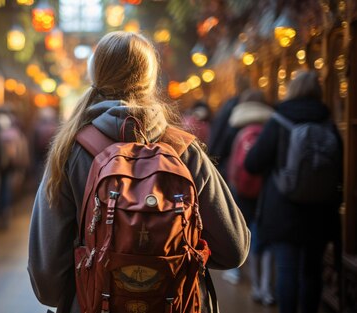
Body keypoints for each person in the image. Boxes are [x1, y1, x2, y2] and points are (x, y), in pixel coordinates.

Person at [28, 31, 250, 313]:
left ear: (96, 77)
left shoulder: (70, 152)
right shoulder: (184, 151)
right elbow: (234, 249)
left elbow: (46, 279)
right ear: (150, 79)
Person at [244, 71, 342, 313]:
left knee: (286, 270)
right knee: (313, 271)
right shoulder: (328, 121)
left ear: (292, 90)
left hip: (284, 208)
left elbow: (253, 163)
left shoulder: (279, 120)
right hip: (321, 210)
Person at [226, 89, 275, 304]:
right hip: (266, 192)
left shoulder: (239, 131)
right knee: (264, 237)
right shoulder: (269, 130)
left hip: (242, 192)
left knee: (246, 232)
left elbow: (234, 166)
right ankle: (266, 286)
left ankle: (253, 283)